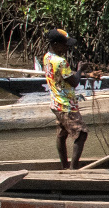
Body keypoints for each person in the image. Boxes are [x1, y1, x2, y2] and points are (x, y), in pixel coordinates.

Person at [42, 29, 98, 169]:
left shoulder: (47, 57)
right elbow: (74, 82)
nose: (67, 47)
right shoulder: (61, 61)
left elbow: (66, 76)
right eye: (65, 44)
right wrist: (80, 69)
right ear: (55, 44)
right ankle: (73, 169)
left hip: (56, 103)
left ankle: (64, 166)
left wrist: (88, 74)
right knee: (81, 134)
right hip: (66, 105)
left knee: (62, 135)